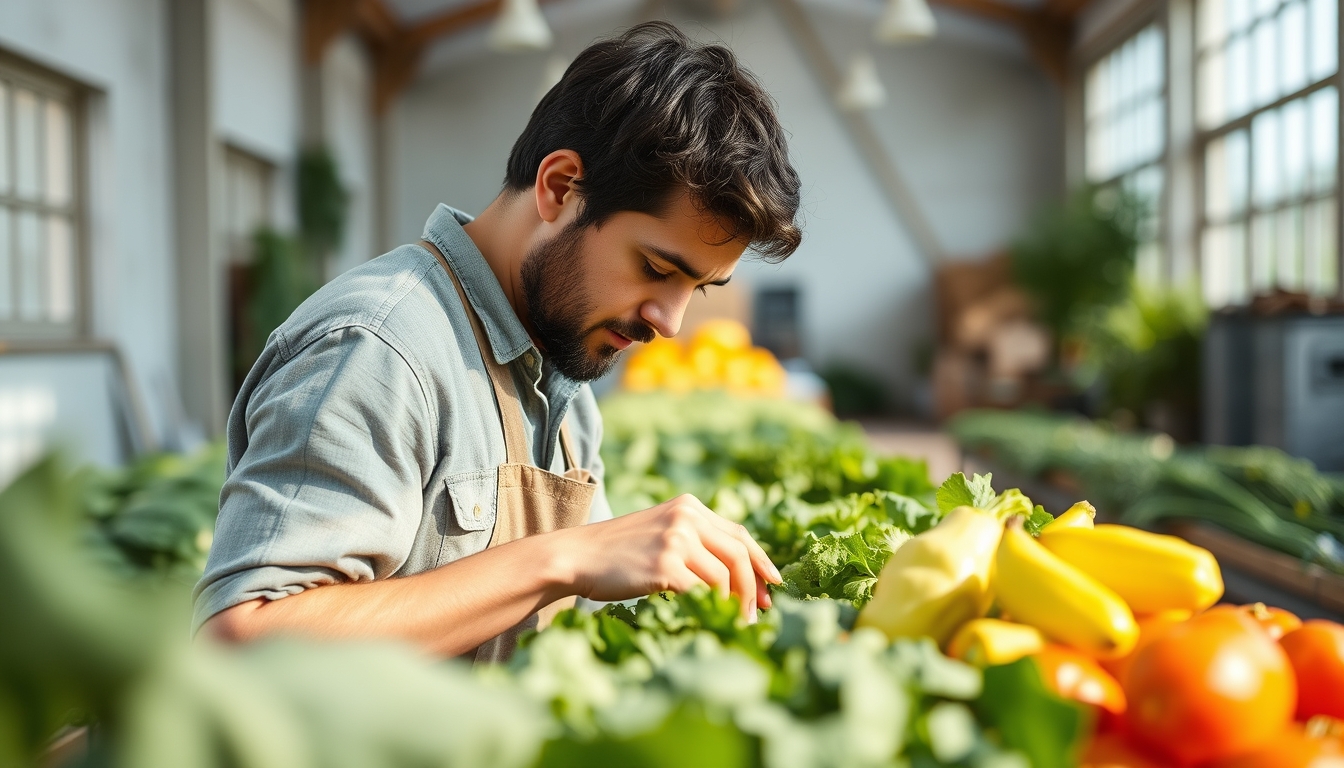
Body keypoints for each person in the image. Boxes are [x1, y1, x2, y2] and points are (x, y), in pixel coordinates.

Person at [194, 21, 803, 662]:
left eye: (698, 288)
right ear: (560, 187)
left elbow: (588, 593)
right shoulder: (377, 351)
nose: (671, 322)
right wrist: (563, 557)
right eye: (657, 268)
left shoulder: (564, 364)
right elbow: (240, 641)